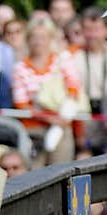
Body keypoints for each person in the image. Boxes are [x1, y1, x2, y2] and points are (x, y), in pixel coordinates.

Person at [11, 14, 83, 165]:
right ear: (28, 39)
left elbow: (74, 87)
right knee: (35, 175)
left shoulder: (62, 60)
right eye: (34, 37)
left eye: (43, 37)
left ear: (50, 38)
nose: (38, 42)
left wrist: (63, 115)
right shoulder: (20, 68)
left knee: (60, 171)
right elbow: (21, 103)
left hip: (61, 127)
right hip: (33, 130)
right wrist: (49, 117)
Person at [70, 6, 107, 154]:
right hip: (83, 116)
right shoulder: (72, 55)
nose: (92, 35)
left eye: (96, 29)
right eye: (87, 29)